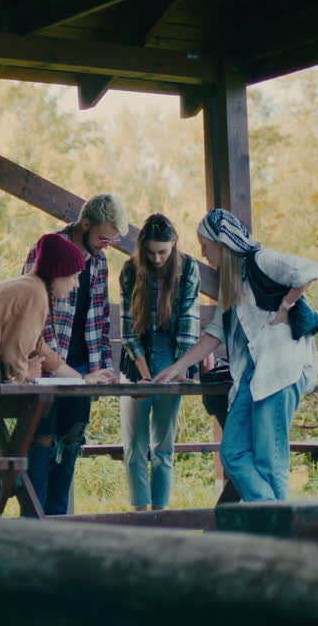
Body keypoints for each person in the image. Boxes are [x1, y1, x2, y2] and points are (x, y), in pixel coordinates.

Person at [153, 209, 318, 502]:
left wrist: (286, 306)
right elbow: (215, 332)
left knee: (270, 462)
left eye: (205, 245)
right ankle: (273, 515)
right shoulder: (231, 282)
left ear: (222, 242)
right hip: (252, 374)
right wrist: (178, 366)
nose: (203, 253)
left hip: (280, 370)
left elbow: (308, 270)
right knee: (233, 453)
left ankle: (275, 526)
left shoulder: (260, 260)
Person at [16, 193, 126, 517]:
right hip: (48, 362)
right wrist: (55, 366)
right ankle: (35, 522)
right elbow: (34, 312)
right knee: (42, 440)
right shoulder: (49, 247)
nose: (106, 246)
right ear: (86, 224)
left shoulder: (100, 260)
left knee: (72, 440)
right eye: (103, 238)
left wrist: (103, 368)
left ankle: (60, 522)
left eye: (111, 241)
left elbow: (101, 317)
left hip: (83, 363)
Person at [118, 214, 202, 511]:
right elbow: (128, 329)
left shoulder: (188, 268)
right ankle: (141, 515)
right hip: (136, 358)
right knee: (135, 445)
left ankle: (160, 513)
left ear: (174, 244)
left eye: (162, 252)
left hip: (172, 355)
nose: (156, 259)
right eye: (150, 252)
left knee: (163, 446)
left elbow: (189, 321)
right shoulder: (130, 269)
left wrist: (178, 369)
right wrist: (143, 376)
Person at [0, 233, 112, 386]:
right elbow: (14, 354)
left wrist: (82, 379)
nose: (77, 284)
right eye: (74, 277)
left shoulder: (32, 286)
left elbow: (39, 347)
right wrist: (26, 373)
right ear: (58, 273)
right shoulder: (35, 293)